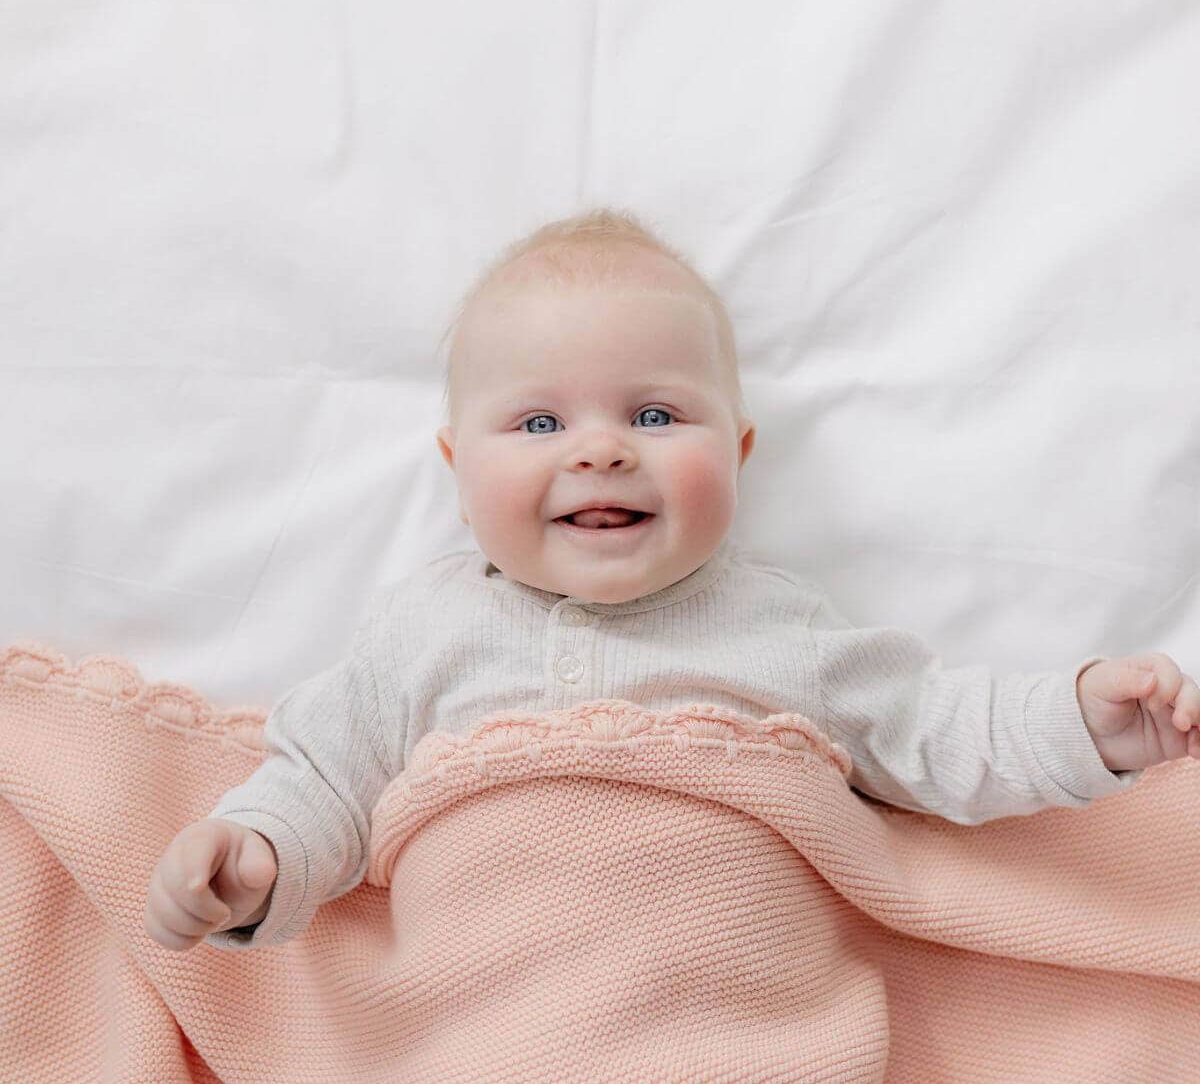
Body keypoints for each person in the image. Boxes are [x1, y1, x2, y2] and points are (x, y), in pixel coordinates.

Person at [143, 208, 1198, 954]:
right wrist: (255, 859)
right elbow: (323, 779)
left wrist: (1085, 719)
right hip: (482, 1022)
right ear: (458, 475)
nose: (601, 450)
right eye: (540, 422)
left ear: (737, 454)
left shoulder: (780, 629)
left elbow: (937, 729)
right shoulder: (421, 632)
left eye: (654, 415)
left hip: (750, 1025)